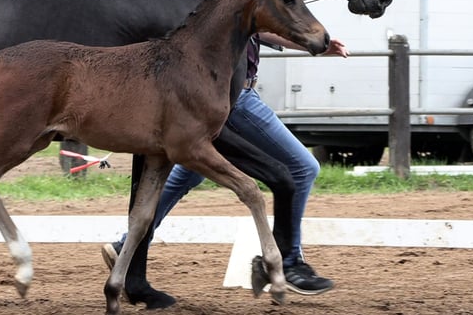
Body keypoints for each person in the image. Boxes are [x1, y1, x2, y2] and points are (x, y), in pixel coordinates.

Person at [102, 31, 349, 295]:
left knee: (190, 173)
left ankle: (126, 246)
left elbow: (265, 29)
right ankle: (288, 262)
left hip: (229, 92)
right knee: (303, 167)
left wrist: (312, 44)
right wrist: (312, 41)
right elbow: (263, 24)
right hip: (236, 98)